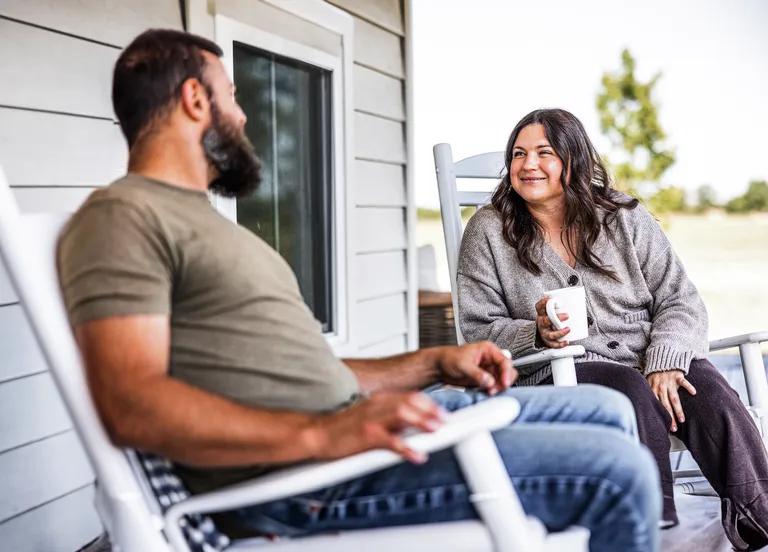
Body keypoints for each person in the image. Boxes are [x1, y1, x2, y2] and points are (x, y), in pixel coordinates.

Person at [56, 30, 661, 552]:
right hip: (306, 478)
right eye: (233, 98)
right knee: (620, 471)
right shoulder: (123, 216)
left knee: (608, 408)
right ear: (195, 99)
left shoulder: (201, 224)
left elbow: (309, 372)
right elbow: (130, 404)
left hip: (342, 434)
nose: (241, 116)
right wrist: (321, 434)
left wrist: (431, 363)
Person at [457, 107, 768, 550]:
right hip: (555, 370)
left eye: (544, 152)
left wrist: (665, 360)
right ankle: (648, 527)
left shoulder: (624, 216)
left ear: (574, 158)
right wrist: (536, 333)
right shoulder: (488, 231)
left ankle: (761, 520)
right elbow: (478, 329)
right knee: (627, 389)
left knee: (709, 392)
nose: (528, 165)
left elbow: (679, 298)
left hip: (647, 356)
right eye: (518, 154)